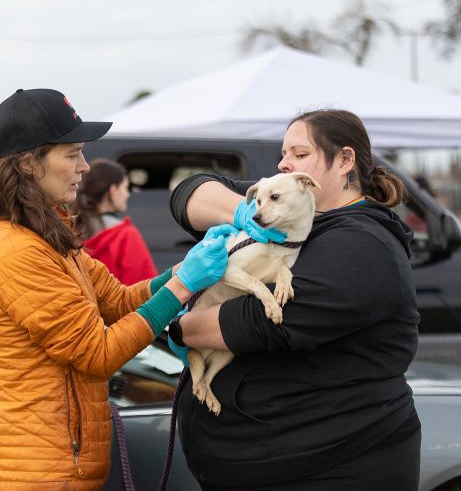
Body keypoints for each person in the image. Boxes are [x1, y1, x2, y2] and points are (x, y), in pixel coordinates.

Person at [0, 88, 234, 490]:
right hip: (35, 476)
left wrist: (182, 269)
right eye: (72, 154)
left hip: (55, 467)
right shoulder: (16, 250)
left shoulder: (44, 234)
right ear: (27, 164)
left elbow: (118, 301)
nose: (86, 167)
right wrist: (182, 286)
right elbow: (97, 353)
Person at [167, 109, 421, 490]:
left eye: (300, 154)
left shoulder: (364, 244)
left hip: (330, 468)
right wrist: (244, 211)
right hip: (258, 465)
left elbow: (258, 323)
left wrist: (172, 323)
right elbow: (188, 193)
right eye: (283, 155)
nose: (285, 164)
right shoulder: (286, 201)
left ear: (345, 160)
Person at [76, 158, 158, 284]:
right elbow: (145, 289)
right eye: (125, 188)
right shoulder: (125, 235)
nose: (127, 194)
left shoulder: (67, 231)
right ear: (113, 191)